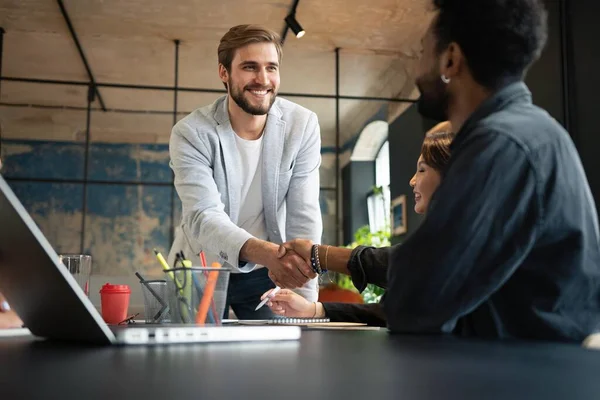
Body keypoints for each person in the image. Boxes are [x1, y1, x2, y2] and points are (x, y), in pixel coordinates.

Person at [277, 0, 600, 342]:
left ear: (450, 59)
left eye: (420, 51)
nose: (416, 67)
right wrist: (323, 256)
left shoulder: (501, 144)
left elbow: (416, 300)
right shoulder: (528, 133)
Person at [167, 24, 321, 319]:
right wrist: (272, 255)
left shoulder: (302, 125)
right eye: (250, 67)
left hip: (267, 273)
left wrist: (306, 302)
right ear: (224, 73)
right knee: (193, 360)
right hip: (201, 266)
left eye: (271, 68)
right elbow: (203, 217)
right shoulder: (191, 133)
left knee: (280, 358)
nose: (263, 79)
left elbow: (305, 215)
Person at [263, 127, 455, 326]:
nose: (412, 180)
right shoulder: (440, 237)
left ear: (454, 175)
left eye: (422, 169)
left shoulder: (459, 242)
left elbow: (402, 264)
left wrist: (316, 255)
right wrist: (313, 309)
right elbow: (394, 310)